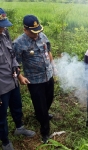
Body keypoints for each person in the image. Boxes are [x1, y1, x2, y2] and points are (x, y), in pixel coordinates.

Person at [13, 15, 55, 144]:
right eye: (33, 32)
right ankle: (45, 132)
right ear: (25, 29)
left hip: (48, 75)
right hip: (34, 80)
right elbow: (15, 63)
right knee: (40, 106)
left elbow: (48, 51)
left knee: (49, 99)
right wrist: (20, 76)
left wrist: (53, 67)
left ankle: (42, 115)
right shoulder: (18, 43)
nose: (37, 34)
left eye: (38, 31)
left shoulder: (42, 36)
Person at [0, 8, 35, 150]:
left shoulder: (4, 33)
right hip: (1, 87)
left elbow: (12, 56)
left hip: (12, 80)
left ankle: (19, 128)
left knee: (17, 106)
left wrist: (19, 75)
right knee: (1, 117)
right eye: (0, 25)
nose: (3, 28)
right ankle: (5, 142)